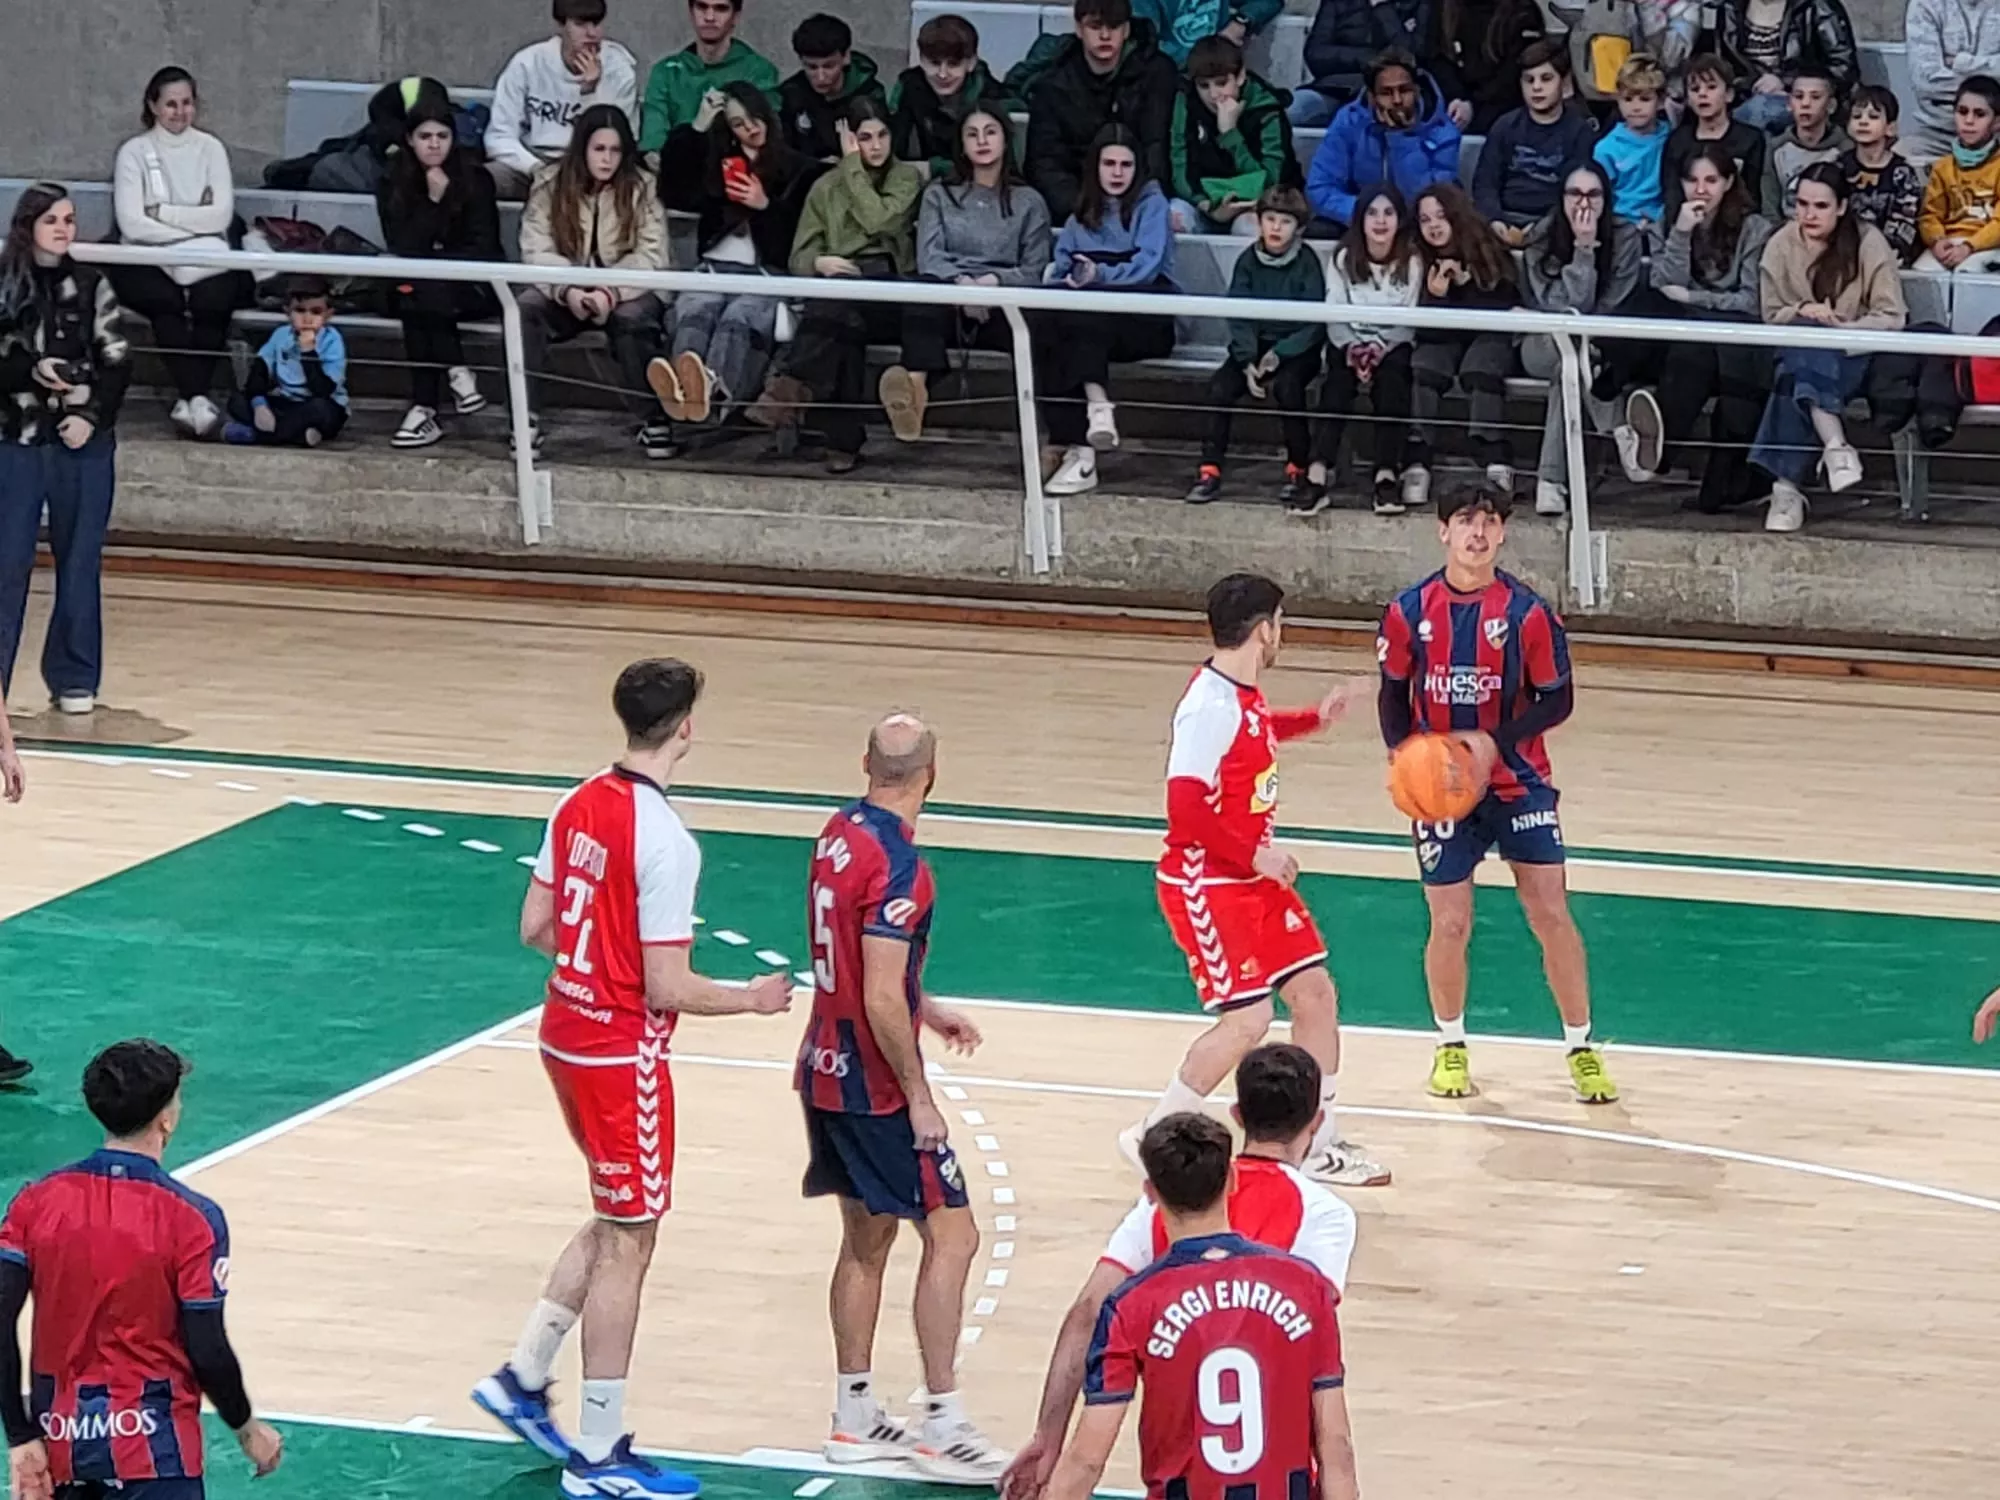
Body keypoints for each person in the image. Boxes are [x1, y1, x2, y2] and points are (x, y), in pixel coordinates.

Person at [472, 658, 794, 1500]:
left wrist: (592, 958)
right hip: (620, 1054)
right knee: (632, 1240)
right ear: (686, 728)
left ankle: (523, 1375)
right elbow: (667, 985)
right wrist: (753, 999)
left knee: (618, 1216)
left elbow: (535, 924)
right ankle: (600, 1450)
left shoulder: (578, 801)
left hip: (563, 1032)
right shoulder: (666, 841)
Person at [999, 1044, 1357, 1500]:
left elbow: (1087, 1313)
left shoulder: (1164, 1200)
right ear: (1317, 1122)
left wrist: (1048, 1436)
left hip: (1185, 1469)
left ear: (1237, 1114)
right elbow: (1309, 1351)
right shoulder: (1324, 1221)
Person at [1124, 572, 1387, 1187]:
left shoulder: (1239, 695)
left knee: (1315, 993)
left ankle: (1318, 1141)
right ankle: (1153, 1133)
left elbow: (1257, 729)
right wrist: (1255, 857)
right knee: (1249, 1021)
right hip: (1208, 884)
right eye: (1281, 623)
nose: (1281, 633)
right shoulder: (1207, 708)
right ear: (1264, 629)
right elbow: (1185, 811)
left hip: (1247, 879)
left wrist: (1315, 719)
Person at [798, 713, 1008, 1482]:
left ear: (865, 764)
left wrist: (928, 1005)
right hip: (876, 1089)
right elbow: (881, 993)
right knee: (954, 1237)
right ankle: (942, 1423)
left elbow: (864, 966)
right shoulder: (900, 867)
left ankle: (853, 1415)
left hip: (823, 1068)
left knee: (867, 1240)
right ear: (933, 773)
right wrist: (919, 1094)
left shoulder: (837, 834)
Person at [1378, 487, 1618, 1104]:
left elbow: (1557, 699)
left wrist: (1493, 743)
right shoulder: (1408, 611)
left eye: (1489, 522)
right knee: (1450, 921)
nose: (1477, 533)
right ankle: (1450, 1045)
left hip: (1519, 783)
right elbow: (1392, 692)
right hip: (1442, 791)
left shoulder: (1527, 614)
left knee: (1550, 913)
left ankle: (1582, 1047)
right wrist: (1403, 758)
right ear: (1443, 531)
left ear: (1503, 533)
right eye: (1465, 521)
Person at [1, 1039, 286, 1499]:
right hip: (156, 1456)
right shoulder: (192, 1219)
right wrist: (247, 1429)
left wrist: (20, 1435)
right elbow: (206, 1346)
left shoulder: (35, 1204)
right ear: (166, 1118)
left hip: (62, 1448)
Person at [0, 184, 131, 721]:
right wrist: (32, 371)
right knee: (8, 562)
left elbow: (116, 361)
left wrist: (90, 416)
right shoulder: (5, 284)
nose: (63, 228)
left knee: (80, 561)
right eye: (52, 219)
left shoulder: (93, 284)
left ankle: (75, 675)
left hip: (82, 444)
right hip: (17, 441)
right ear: (28, 224)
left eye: (70, 219)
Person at [750, 97, 921, 473]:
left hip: (892, 287)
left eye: (881, 136)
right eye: (864, 138)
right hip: (840, 289)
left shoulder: (906, 178)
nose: (875, 146)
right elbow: (798, 257)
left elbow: (880, 221)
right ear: (849, 138)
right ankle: (841, 442)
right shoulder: (824, 187)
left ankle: (790, 389)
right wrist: (817, 262)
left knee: (834, 309)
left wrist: (851, 166)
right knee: (841, 322)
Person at [651, 84, 821, 441]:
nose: (751, 128)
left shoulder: (798, 169)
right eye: (739, 123)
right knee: (694, 310)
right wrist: (696, 129)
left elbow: (798, 240)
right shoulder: (714, 163)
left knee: (739, 318)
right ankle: (682, 389)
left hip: (767, 273)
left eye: (755, 118)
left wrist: (765, 207)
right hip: (714, 266)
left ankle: (713, 389)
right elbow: (674, 191)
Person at [878, 109, 1051, 444]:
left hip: (1003, 305)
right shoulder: (938, 194)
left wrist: (991, 284)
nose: (982, 141)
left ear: (1006, 140)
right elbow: (930, 257)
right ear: (961, 144)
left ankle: (1052, 440)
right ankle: (914, 389)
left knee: (1046, 324)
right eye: (972, 134)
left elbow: (1034, 268)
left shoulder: (1030, 201)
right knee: (920, 292)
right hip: (948, 297)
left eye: (990, 132)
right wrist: (962, 286)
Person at [1751, 161, 1906, 532]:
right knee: (1804, 347)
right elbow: (1770, 314)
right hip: (1793, 347)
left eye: (1820, 206)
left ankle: (1786, 489)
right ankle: (1835, 446)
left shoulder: (1868, 241)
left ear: (1841, 207)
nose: (1809, 214)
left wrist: (1843, 327)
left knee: (1794, 377)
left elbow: (1892, 315)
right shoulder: (1780, 244)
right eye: (1802, 204)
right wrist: (1802, 311)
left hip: (1852, 351)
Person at [1622, 145, 1775, 510]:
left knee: (1699, 349)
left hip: (1739, 338)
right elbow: (1663, 286)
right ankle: (1659, 450)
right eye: (1692, 180)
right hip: (1687, 338)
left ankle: (1659, 451)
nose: (1701, 190)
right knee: (1686, 342)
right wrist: (1681, 233)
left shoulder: (1755, 229)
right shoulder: (1669, 221)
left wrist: (1695, 298)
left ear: (1729, 182)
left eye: (1711, 180)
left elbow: (1751, 301)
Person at [516, 105, 670, 458]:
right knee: (526, 309)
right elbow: (536, 248)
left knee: (632, 319)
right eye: (599, 149)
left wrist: (609, 291)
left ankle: (655, 420)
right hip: (564, 287)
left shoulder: (643, 186)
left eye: (615, 150)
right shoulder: (550, 183)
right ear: (582, 148)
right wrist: (567, 289)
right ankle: (524, 420)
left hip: (627, 289)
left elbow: (652, 254)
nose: (607, 159)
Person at [1033, 125, 1179, 498]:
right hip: (1090, 321)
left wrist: (1099, 275)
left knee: (1085, 316)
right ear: (1095, 167)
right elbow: (1061, 267)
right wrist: (1072, 278)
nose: (1117, 173)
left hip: (1146, 315)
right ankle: (1083, 436)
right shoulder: (1079, 215)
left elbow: (1147, 269)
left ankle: (1080, 435)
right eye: (1109, 164)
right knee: (1051, 325)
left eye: (1125, 165)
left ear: (1138, 168)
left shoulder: (1153, 206)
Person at [109, 67, 243, 441]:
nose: (180, 112)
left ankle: (191, 399)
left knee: (214, 300)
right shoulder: (133, 152)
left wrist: (163, 213)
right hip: (144, 256)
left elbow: (221, 217)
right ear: (153, 106)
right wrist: (195, 227)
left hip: (202, 254)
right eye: (171, 104)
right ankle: (196, 397)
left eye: (187, 103)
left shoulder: (211, 148)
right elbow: (132, 224)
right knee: (164, 303)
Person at [1518, 159, 1644, 517]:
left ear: (1607, 199)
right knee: (1570, 346)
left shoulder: (1625, 237)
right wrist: (1583, 251)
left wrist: (1588, 250)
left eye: (1593, 195)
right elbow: (1560, 307)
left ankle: (1550, 482)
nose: (1583, 204)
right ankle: (1618, 427)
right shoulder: (1541, 237)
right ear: (1561, 198)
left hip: (1596, 344)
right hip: (1539, 341)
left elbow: (1611, 306)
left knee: (1569, 369)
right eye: (1574, 194)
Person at [378, 100, 504, 449]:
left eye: (442, 136)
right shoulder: (391, 180)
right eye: (425, 136)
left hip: (473, 285)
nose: (434, 144)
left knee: (417, 294)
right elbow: (402, 245)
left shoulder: (476, 179)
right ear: (409, 139)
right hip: (417, 284)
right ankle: (457, 374)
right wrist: (433, 202)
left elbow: (484, 247)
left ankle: (424, 408)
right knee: (416, 293)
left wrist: (437, 262)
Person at [1187, 186, 1324, 506]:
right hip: (1253, 346)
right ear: (1259, 221)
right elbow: (1239, 314)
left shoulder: (1307, 262)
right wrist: (1247, 359)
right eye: (1270, 219)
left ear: (1298, 228)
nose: (1276, 228)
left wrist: (1280, 354)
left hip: (1296, 348)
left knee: (1288, 388)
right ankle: (1209, 469)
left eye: (1285, 221)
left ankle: (1298, 467)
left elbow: (1315, 322)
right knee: (1220, 388)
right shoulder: (1247, 261)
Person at [1311, 185, 1423, 516]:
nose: (1380, 221)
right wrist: (1352, 346)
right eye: (1372, 213)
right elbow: (1333, 311)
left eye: (1388, 213)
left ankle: (1386, 475)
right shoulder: (1343, 257)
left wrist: (1379, 347)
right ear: (1360, 218)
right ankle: (1317, 473)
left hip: (1393, 343)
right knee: (1335, 387)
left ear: (1399, 219)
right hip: (1348, 340)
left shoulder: (1412, 260)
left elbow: (1411, 318)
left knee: (1392, 387)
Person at [1409, 182, 1520, 507]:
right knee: (1424, 365)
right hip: (1443, 337)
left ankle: (1494, 456)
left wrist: (1466, 285)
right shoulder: (1416, 257)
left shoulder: (1486, 245)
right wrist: (1438, 298)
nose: (1433, 226)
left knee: (1481, 367)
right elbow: (1426, 330)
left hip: (1489, 333)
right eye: (1425, 219)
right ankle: (1417, 458)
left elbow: (1506, 305)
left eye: (1440, 216)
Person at [1022, 0, 1181, 223]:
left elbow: (1157, 151)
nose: (1105, 36)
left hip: (1141, 208)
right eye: (1095, 27)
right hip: (1077, 212)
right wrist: (1084, 210)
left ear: (1126, 29)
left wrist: (1137, 209)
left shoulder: (1158, 74)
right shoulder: (1053, 84)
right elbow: (1046, 163)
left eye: (1114, 26)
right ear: (1079, 29)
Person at [486, 0, 641, 199]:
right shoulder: (528, 63)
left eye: (596, 23)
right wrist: (537, 169)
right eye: (580, 24)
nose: (592, 33)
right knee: (478, 181)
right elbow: (499, 136)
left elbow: (623, 141)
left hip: (591, 170)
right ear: (561, 25)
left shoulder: (619, 71)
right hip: (530, 165)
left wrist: (590, 93)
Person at [1306, 47, 1461, 231]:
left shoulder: (1443, 132)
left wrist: (1401, 138)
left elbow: (1429, 197)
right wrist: (1370, 213)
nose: (1397, 100)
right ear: (1372, 97)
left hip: (1418, 223)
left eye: (1404, 90)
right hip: (1362, 217)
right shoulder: (1349, 122)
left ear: (1416, 90)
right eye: (1386, 93)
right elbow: (1320, 188)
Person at [1169, 36, 1300, 235]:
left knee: (1251, 227)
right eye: (1204, 86)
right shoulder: (1186, 102)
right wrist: (1208, 206)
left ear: (1240, 77)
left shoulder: (1267, 109)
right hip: (1205, 203)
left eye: (1221, 83)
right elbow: (1179, 167)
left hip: (1254, 206)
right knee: (1173, 215)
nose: (1214, 95)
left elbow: (1271, 180)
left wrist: (1230, 135)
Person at [1473, 39, 1598, 245]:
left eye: (1546, 79)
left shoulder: (1580, 132)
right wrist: (1495, 220)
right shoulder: (1504, 126)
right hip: (1504, 219)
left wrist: (1542, 229)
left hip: (1555, 225)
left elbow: (1576, 193)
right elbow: (1485, 184)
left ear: (1564, 82)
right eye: (1529, 80)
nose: (1536, 87)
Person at [639, 0, 781, 153]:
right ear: (691, 12)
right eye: (702, 7)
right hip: (677, 164)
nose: (709, 17)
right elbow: (653, 143)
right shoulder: (666, 72)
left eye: (721, 8)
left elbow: (767, 138)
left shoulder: (759, 70)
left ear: (735, 17)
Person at [221, 277, 347, 448]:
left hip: (318, 403)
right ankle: (296, 436)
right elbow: (259, 370)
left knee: (321, 410)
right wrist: (259, 404)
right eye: (300, 311)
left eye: (316, 312)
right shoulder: (281, 335)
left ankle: (255, 436)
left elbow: (323, 390)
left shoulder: (332, 340)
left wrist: (308, 352)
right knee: (237, 401)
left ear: (328, 315)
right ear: (287, 312)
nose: (307, 319)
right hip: (285, 400)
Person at [888, 15, 1018, 180]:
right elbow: (893, 146)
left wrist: (935, 167)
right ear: (921, 60)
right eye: (934, 63)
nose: (942, 74)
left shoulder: (993, 98)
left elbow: (1002, 166)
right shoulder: (910, 86)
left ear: (971, 63)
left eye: (953, 64)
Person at [1291, 0, 1454, 128]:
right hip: (1335, 88)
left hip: (1393, 94)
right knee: (1291, 110)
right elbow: (1315, 54)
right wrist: (1372, 59)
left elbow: (1414, 58)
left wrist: (1383, 9)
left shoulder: (1421, 4)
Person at [1717, 0, 1858, 133]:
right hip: (1744, 96)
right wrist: (1752, 84)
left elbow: (1844, 68)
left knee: (1758, 111)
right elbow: (1722, 67)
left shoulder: (1818, 7)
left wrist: (1785, 82)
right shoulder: (1730, 7)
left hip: (1801, 98)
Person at [1662, 54, 1769, 222]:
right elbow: (1672, 196)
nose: (1702, 94)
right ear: (1688, 99)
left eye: (1711, 87)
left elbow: (1753, 196)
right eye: (1695, 89)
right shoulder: (1677, 141)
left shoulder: (1750, 139)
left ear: (1729, 94)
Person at [1915, 74, 2000, 272]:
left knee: (1968, 272)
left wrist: (1969, 246)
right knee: (1922, 274)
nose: (1969, 120)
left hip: (1987, 244)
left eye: (1979, 114)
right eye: (1962, 112)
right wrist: (1937, 241)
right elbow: (1930, 215)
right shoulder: (1942, 167)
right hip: (1949, 243)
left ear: (1997, 122)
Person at [780, 15, 888, 162]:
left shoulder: (869, 95)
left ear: (846, 57)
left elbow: (882, 153)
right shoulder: (792, 94)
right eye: (812, 67)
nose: (821, 77)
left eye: (829, 66)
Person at [1906, 0, 2000, 164]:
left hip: (1996, 130)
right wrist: (1990, 80)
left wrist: (1961, 63)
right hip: (1935, 134)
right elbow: (1926, 82)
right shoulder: (1924, 4)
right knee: (1896, 164)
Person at [1839, 84, 1925, 264]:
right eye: (1857, 116)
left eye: (1873, 116)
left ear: (1890, 128)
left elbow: (1907, 219)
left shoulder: (1902, 173)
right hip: (1842, 249)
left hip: (1888, 253)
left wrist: (1887, 249)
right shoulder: (1839, 166)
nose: (1863, 122)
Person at [1441, 0, 1549, 133]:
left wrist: (1473, 106)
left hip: (1508, 115)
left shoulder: (1523, 12)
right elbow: (1441, 61)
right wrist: (1457, 100)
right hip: (1457, 111)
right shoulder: (1447, 9)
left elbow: (1517, 75)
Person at [1593, 53, 1669, 240]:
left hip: (1662, 222)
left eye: (1645, 99)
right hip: (1621, 224)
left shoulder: (1671, 137)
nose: (1635, 107)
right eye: (1627, 99)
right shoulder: (1606, 148)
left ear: (1660, 101)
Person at [1760, 66, 1851, 220]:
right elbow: (1769, 205)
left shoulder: (1845, 149)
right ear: (1789, 104)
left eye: (1815, 97)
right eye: (1799, 96)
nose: (1805, 104)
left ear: (1831, 105)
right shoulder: (1776, 147)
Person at [1136, 0, 1284, 67]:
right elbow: (1146, 44)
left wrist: (1240, 22)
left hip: (1223, 72)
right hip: (1174, 80)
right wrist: (1203, 54)